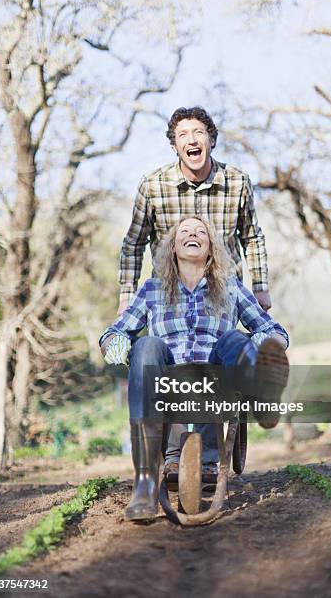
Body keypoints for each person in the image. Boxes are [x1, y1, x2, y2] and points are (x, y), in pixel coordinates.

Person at [117, 106, 273, 483]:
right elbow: (133, 243)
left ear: (211, 139)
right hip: (169, 293)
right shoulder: (153, 186)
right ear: (174, 145)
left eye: (199, 132)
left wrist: (260, 287)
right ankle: (168, 456)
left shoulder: (236, 182)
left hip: (220, 292)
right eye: (183, 134)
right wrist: (126, 296)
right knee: (168, 360)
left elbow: (252, 236)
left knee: (220, 351)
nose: (192, 139)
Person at [100, 216, 289, 522]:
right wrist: (118, 348)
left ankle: (261, 389)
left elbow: (273, 330)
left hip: (217, 379)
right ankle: (145, 484)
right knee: (146, 345)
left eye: (201, 232)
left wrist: (267, 347)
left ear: (211, 248)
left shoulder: (231, 287)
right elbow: (114, 333)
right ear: (172, 248)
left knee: (234, 338)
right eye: (185, 232)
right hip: (167, 382)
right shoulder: (152, 289)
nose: (193, 234)